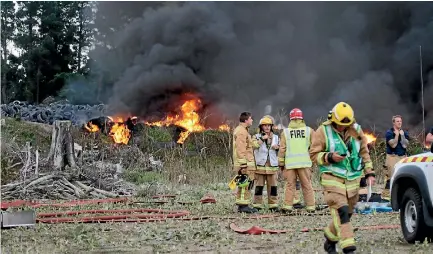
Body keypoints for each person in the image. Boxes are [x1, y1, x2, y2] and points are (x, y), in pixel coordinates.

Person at [309, 102, 376, 254]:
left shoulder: (357, 130)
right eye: (339, 125)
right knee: (342, 212)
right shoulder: (322, 131)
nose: (342, 128)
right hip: (331, 179)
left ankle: (329, 240)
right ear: (333, 120)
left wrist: (369, 173)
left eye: (345, 125)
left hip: (352, 181)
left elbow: (364, 153)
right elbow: (313, 154)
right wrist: (330, 157)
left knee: (348, 212)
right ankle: (348, 248)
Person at [278, 108, 316, 213]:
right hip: (304, 163)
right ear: (301, 118)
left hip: (290, 164)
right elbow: (315, 146)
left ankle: (287, 206)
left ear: (290, 119)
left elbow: (282, 149)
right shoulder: (309, 131)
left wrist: (281, 163)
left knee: (290, 185)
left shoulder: (286, 132)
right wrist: (314, 159)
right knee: (307, 185)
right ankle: (311, 207)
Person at [251, 115, 280, 211]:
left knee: (273, 188)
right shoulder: (256, 137)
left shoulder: (276, 138)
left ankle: (273, 205)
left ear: (271, 126)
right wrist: (262, 139)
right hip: (260, 167)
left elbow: (282, 149)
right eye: (265, 125)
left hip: (272, 167)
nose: (267, 127)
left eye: (269, 125)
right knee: (258, 187)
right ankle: (257, 205)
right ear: (261, 127)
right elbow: (254, 146)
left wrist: (278, 148)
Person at [232, 112, 257, 213]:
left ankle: (243, 204)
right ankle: (243, 206)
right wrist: (243, 164)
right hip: (244, 163)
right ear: (246, 120)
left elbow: (249, 146)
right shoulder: (241, 132)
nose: (252, 121)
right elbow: (241, 148)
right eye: (251, 119)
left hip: (246, 163)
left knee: (245, 184)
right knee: (244, 185)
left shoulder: (243, 131)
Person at [382, 115, 410, 201]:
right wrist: (397, 136)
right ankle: (387, 198)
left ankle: (400, 196)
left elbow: (405, 145)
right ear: (393, 122)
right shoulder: (389, 133)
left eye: (400, 121)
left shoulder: (404, 133)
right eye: (397, 121)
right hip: (392, 157)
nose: (400, 123)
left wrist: (403, 136)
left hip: (403, 157)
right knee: (391, 177)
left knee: (403, 177)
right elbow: (393, 145)